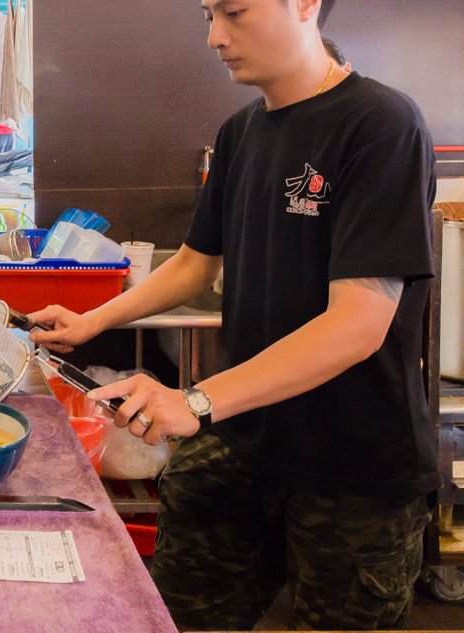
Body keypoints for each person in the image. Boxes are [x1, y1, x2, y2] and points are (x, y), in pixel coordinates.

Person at [29, 0, 437, 630]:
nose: (215, 36)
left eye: (235, 12)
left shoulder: (380, 124)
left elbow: (357, 323)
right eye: (208, 15)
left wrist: (193, 401)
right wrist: (94, 321)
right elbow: (196, 263)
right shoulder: (240, 134)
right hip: (244, 437)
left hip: (354, 467)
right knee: (175, 616)